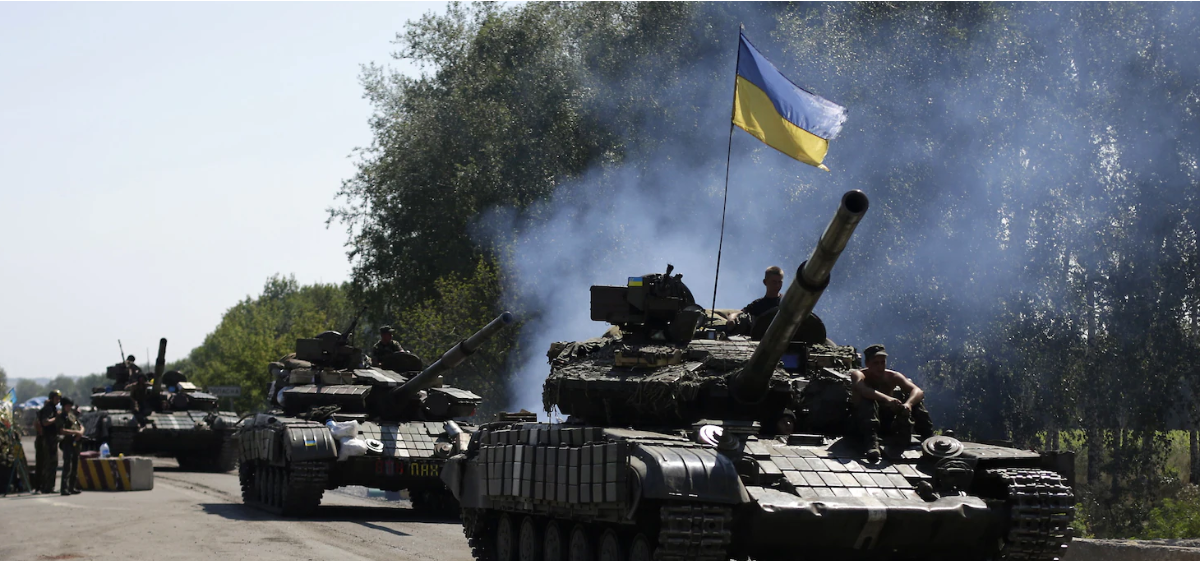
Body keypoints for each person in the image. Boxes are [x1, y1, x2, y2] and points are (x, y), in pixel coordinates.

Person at [850, 344, 934, 462]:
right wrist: (887, 399)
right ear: (867, 364)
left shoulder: (892, 376)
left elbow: (918, 391)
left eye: (882, 362)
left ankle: (929, 439)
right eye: (876, 363)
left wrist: (908, 404)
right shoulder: (858, 375)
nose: (880, 366)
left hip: (886, 422)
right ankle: (872, 443)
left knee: (915, 402)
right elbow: (864, 391)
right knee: (868, 401)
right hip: (861, 424)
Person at [36, 390, 62, 493]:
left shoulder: (52, 408)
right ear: (52, 398)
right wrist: (57, 418)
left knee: (52, 462)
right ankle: (47, 486)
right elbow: (45, 422)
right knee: (50, 462)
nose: (58, 400)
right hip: (48, 438)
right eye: (57, 398)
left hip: (52, 438)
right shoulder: (48, 408)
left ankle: (48, 486)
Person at [56, 397, 83, 495]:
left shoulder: (71, 416)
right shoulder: (61, 416)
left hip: (76, 442)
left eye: (70, 406)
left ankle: (72, 486)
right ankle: (64, 488)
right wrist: (75, 432)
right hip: (67, 442)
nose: (69, 407)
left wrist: (80, 433)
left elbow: (81, 426)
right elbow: (61, 430)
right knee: (68, 465)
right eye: (67, 406)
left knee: (75, 464)